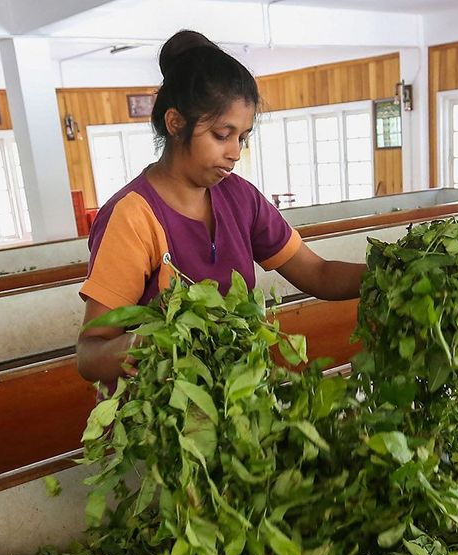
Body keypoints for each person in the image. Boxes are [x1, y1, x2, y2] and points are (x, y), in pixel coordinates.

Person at [75, 30, 365, 383]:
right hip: (164, 418)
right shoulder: (134, 216)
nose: (234, 152)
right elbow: (90, 354)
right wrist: (145, 343)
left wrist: (387, 274)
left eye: (242, 137)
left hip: (236, 406)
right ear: (176, 123)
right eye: (221, 135)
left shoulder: (240, 198)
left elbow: (317, 274)